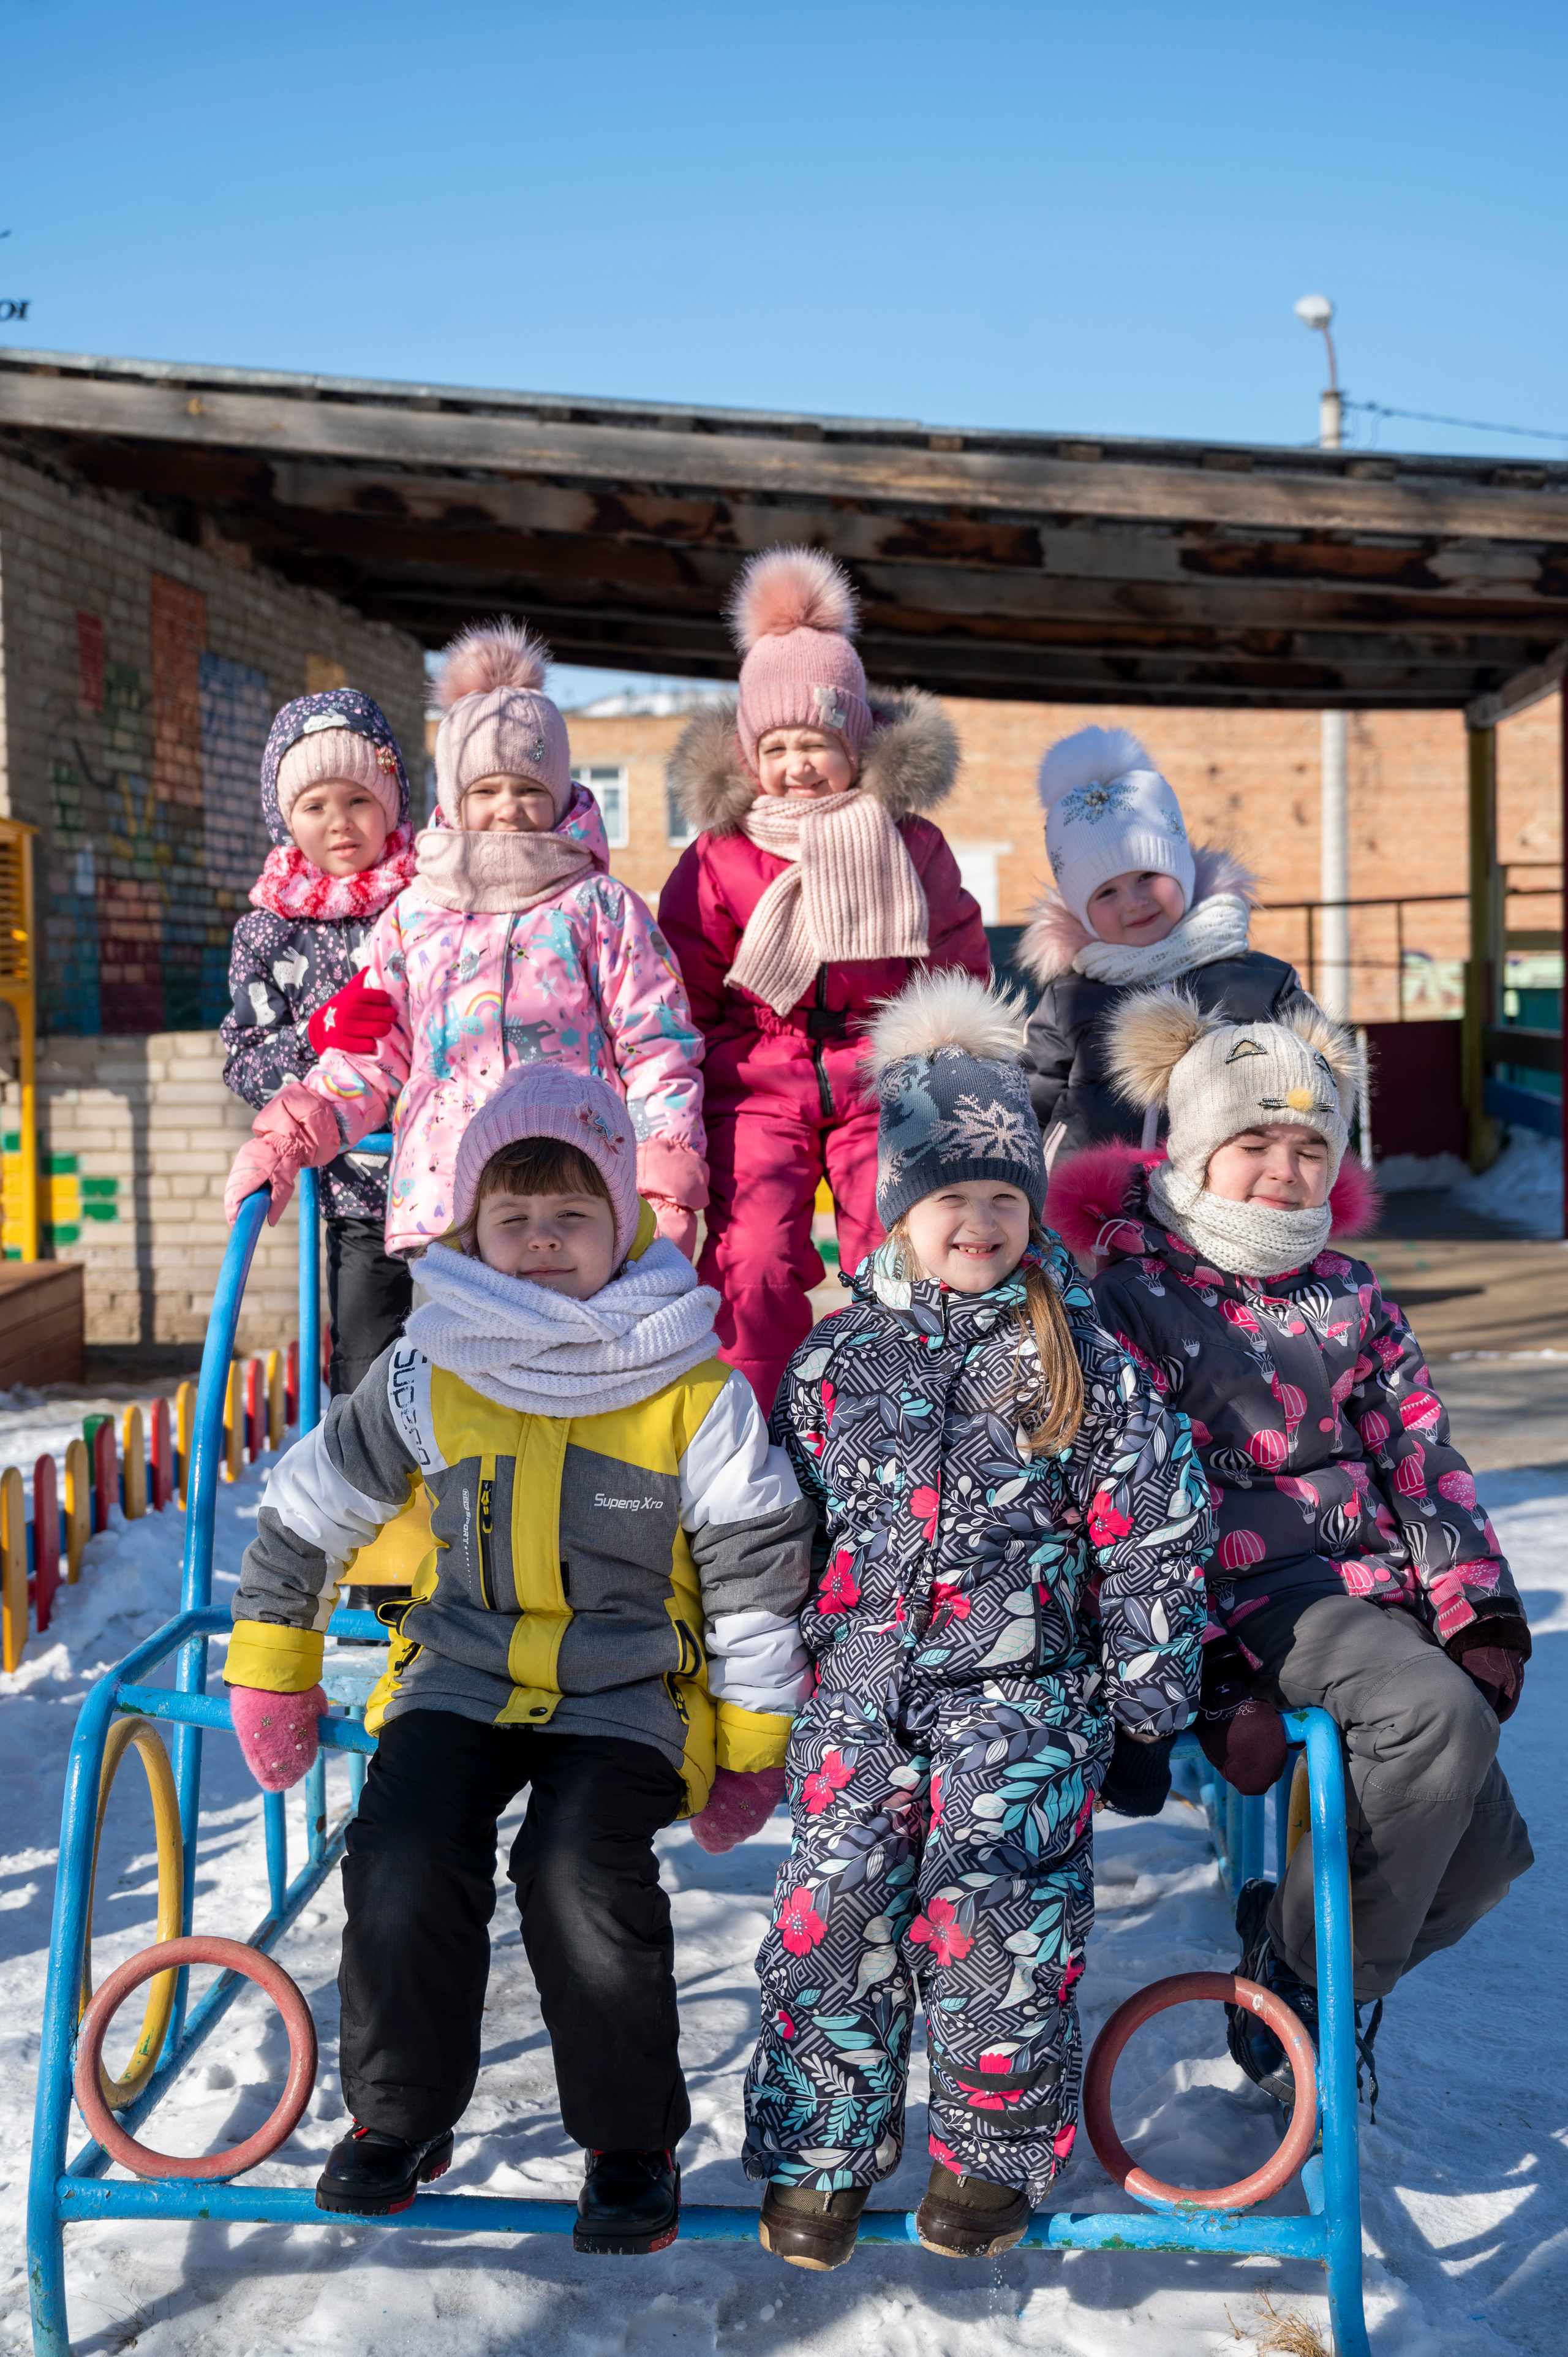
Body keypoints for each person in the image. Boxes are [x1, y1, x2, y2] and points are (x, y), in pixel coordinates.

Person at [222, 1066, 813, 2251]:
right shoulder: (435, 1364)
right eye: (514, 1218)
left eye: (572, 1217)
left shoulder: (685, 1383)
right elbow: (309, 1508)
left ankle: (628, 2140)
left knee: (576, 1871)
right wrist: (273, 1660)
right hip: (462, 1671)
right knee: (401, 1847)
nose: (543, 1242)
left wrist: (753, 1743)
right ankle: (399, 2117)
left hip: (628, 1688)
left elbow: (758, 1566)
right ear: (472, 1232)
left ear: (624, 1224)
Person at [742, 970, 1212, 2271]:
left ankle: (982, 2158)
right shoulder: (837, 1363)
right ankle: (819, 2157)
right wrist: (748, 1683)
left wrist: (1140, 1709)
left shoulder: (1077, 1353)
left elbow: (1152, 1531)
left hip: (1026, 1696)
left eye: (1002, 1195)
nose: (979, 1220)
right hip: (861, 1690)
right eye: (948, 1195)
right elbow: (782, 1534)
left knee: (994, 1908)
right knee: (829, 1908)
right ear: (896, 1209)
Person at [1049, 990, 1534, 2109]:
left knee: (1487, 1861)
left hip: (1383, 1593)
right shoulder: (1136, 1297)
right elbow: (1128, 1502)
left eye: (1311, 1145)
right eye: (1253, 1141)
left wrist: (1478, 1610)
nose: (1283, 1167)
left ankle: (1287, 1960)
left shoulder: (1353, 1293)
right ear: (1194, 1150)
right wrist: (1207, 1672)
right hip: (1259, 1594)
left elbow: (1420, 1454)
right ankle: (1312, 1999)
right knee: (1433, 1716)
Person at [222, 619, 707, 1265]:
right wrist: (286, 1139)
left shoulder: (600, 908)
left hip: (576, 1200)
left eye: (529, 789)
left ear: (560, 796)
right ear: (453, 799)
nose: (507, 808)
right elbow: (369, 1058)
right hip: (446, 1200)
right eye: (485, 790)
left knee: (572, 1363)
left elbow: (656, 1049)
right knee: (453, 1363)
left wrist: (662, 1184)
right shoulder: (416, 915)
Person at [659, 547, 989, 1411]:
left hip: (880, 1075)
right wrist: (711, 1074)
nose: (799, 764)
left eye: (818, 742)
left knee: (895, 1248)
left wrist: (944, 1070)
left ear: (857, 744)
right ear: (747, 753)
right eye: (778, 745)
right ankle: (755, 1428)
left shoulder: (906, 844)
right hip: (756, 1082)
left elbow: (955, 965)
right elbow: (684, 990)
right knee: (753, 1260)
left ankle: (898, 1418)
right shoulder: (721, 855)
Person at [221, 689, 419, 1393]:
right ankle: (368, 1497)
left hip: (462, 1183)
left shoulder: (431, 903)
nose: (340, 824)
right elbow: (244, 1057)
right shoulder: (270, 931)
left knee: (473, 1360)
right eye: (315, 806)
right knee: (367, 1367)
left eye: (359, 800)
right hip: (358, 1188)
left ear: (392, 801)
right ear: (285, 818)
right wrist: (313, 1037)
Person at [1017, 725, 1302, 1168]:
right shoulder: (1069, 998)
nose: (1134, 901)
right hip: (1094, 1211)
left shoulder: (1264, 983)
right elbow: (1027, 1103)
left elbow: (1317, 1084)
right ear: (1082, 910)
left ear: (1182, 870)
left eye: (1148, 875)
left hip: (1226, 1204)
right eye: (1106, 893)